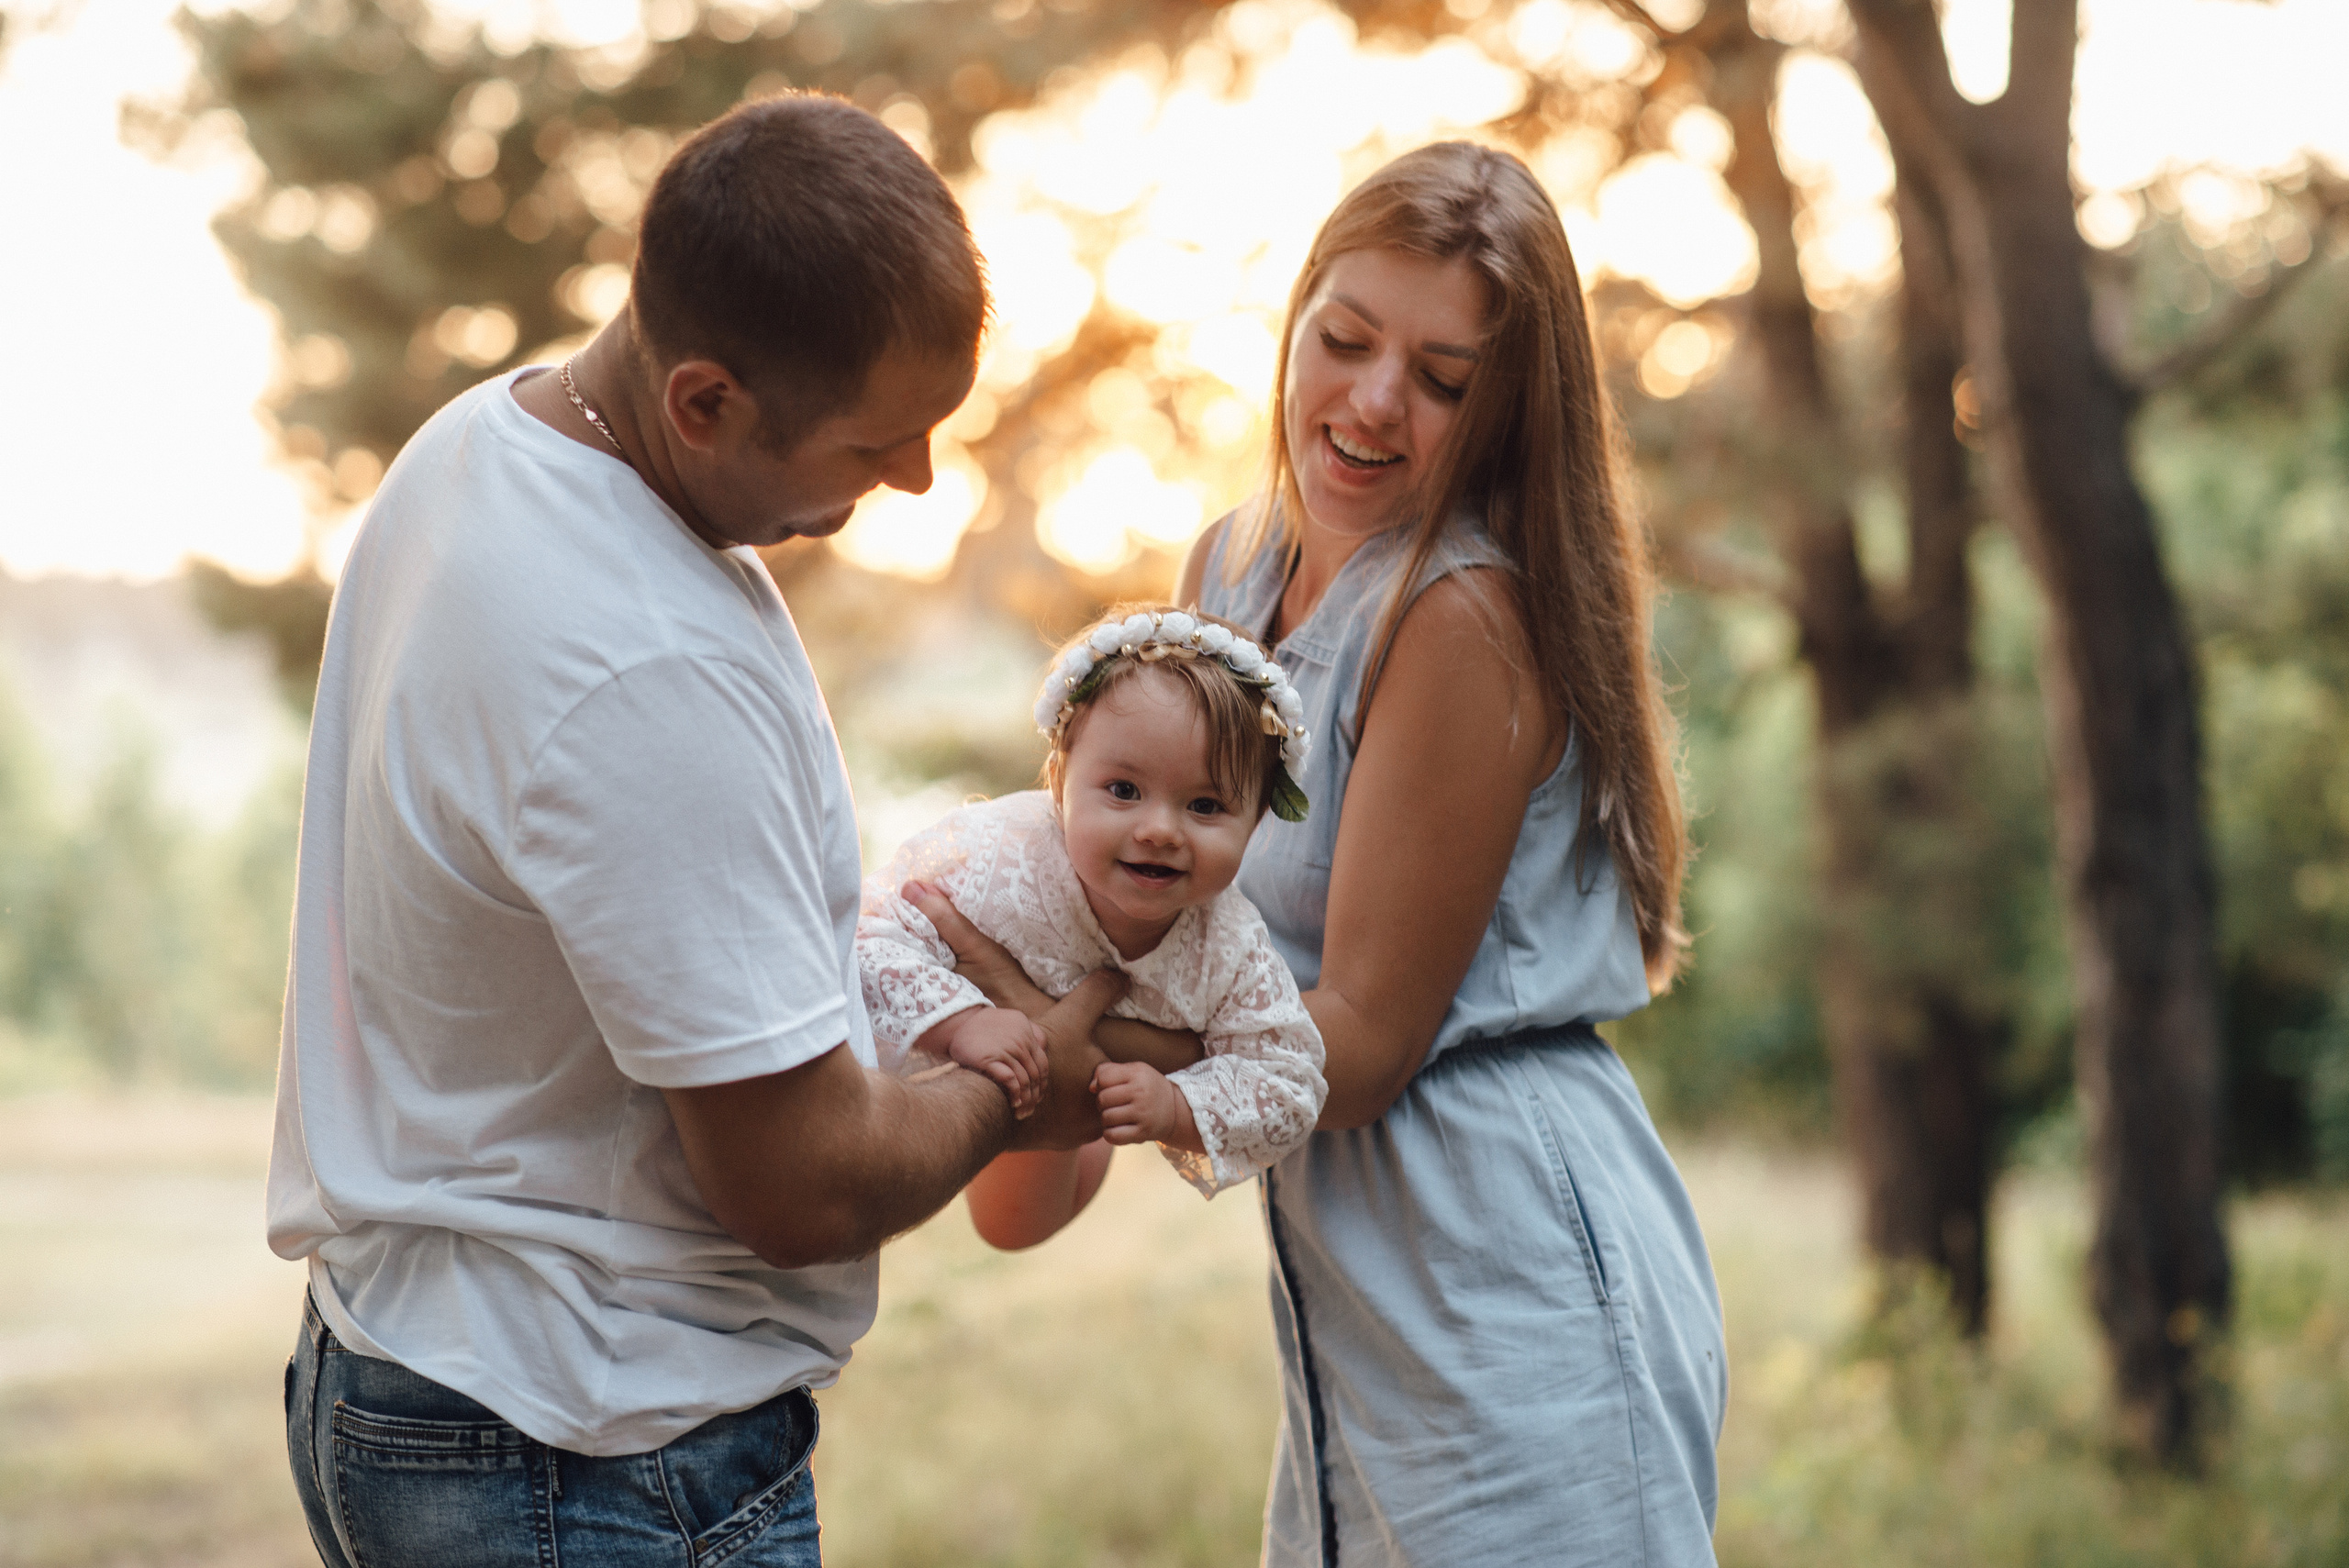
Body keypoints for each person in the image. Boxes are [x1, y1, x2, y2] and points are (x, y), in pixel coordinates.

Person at [268, 94, 1117, 1568]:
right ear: (705, 401)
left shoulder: (479, 445)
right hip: (587, 1454)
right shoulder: (639, 663)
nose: (919, 478)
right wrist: (1024, 1072)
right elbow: (804, 1183)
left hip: (416, 1376)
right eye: (879, 444)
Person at [914, 141, 1727, 1565]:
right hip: (1347, 1291)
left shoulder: (1463, 615)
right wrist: (1019, 1030)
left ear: (1506, 410)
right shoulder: (1227, 569)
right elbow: (1151, 917)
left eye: (1442, 377)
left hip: (1510, 1263)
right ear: (1294, 320)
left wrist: (1076, 1047)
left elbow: (1360, 1042)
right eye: (1344, 340)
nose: (1370, 402)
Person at [859, 605, 1327, 1198]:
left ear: (1258, 819)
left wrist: (1175, 1104)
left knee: (1022, 1225)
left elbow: (1290, 1080)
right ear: (1058, 781)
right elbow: (868, 932)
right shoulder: (998, 857)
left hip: (1040, 1121)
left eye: (1205, 805)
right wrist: (961, 1020)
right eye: (1124, 790)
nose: (1160, 829)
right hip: (877, 1109)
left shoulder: (1229, 944)